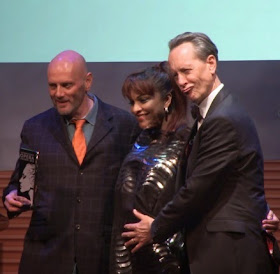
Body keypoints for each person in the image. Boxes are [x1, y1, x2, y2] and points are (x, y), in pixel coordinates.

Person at [122, 32, 280, 273]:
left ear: (211, 64)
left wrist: (155, 228)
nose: (181, 81)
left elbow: (199, 187)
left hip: (229, 251)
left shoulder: (223, 118)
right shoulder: (212, 114)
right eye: (176, 75)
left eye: (186, 71)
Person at [2, 50, 140, 274]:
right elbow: (22, 183)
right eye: (52, 86)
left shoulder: (125, 126)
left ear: (87, 81)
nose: (58, 93)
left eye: (66, 85)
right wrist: (11, 197)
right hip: (47, 256)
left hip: (102, 257)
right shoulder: (35, 128)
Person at [110, 62, 190, 274]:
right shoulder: (138, 141)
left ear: (167, 99)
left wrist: (157, 228)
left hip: (170, 262)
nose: (135, 109)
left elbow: (199, 203)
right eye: (132, 102)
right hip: (129, 261)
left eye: (143, 100)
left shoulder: (188, 143)